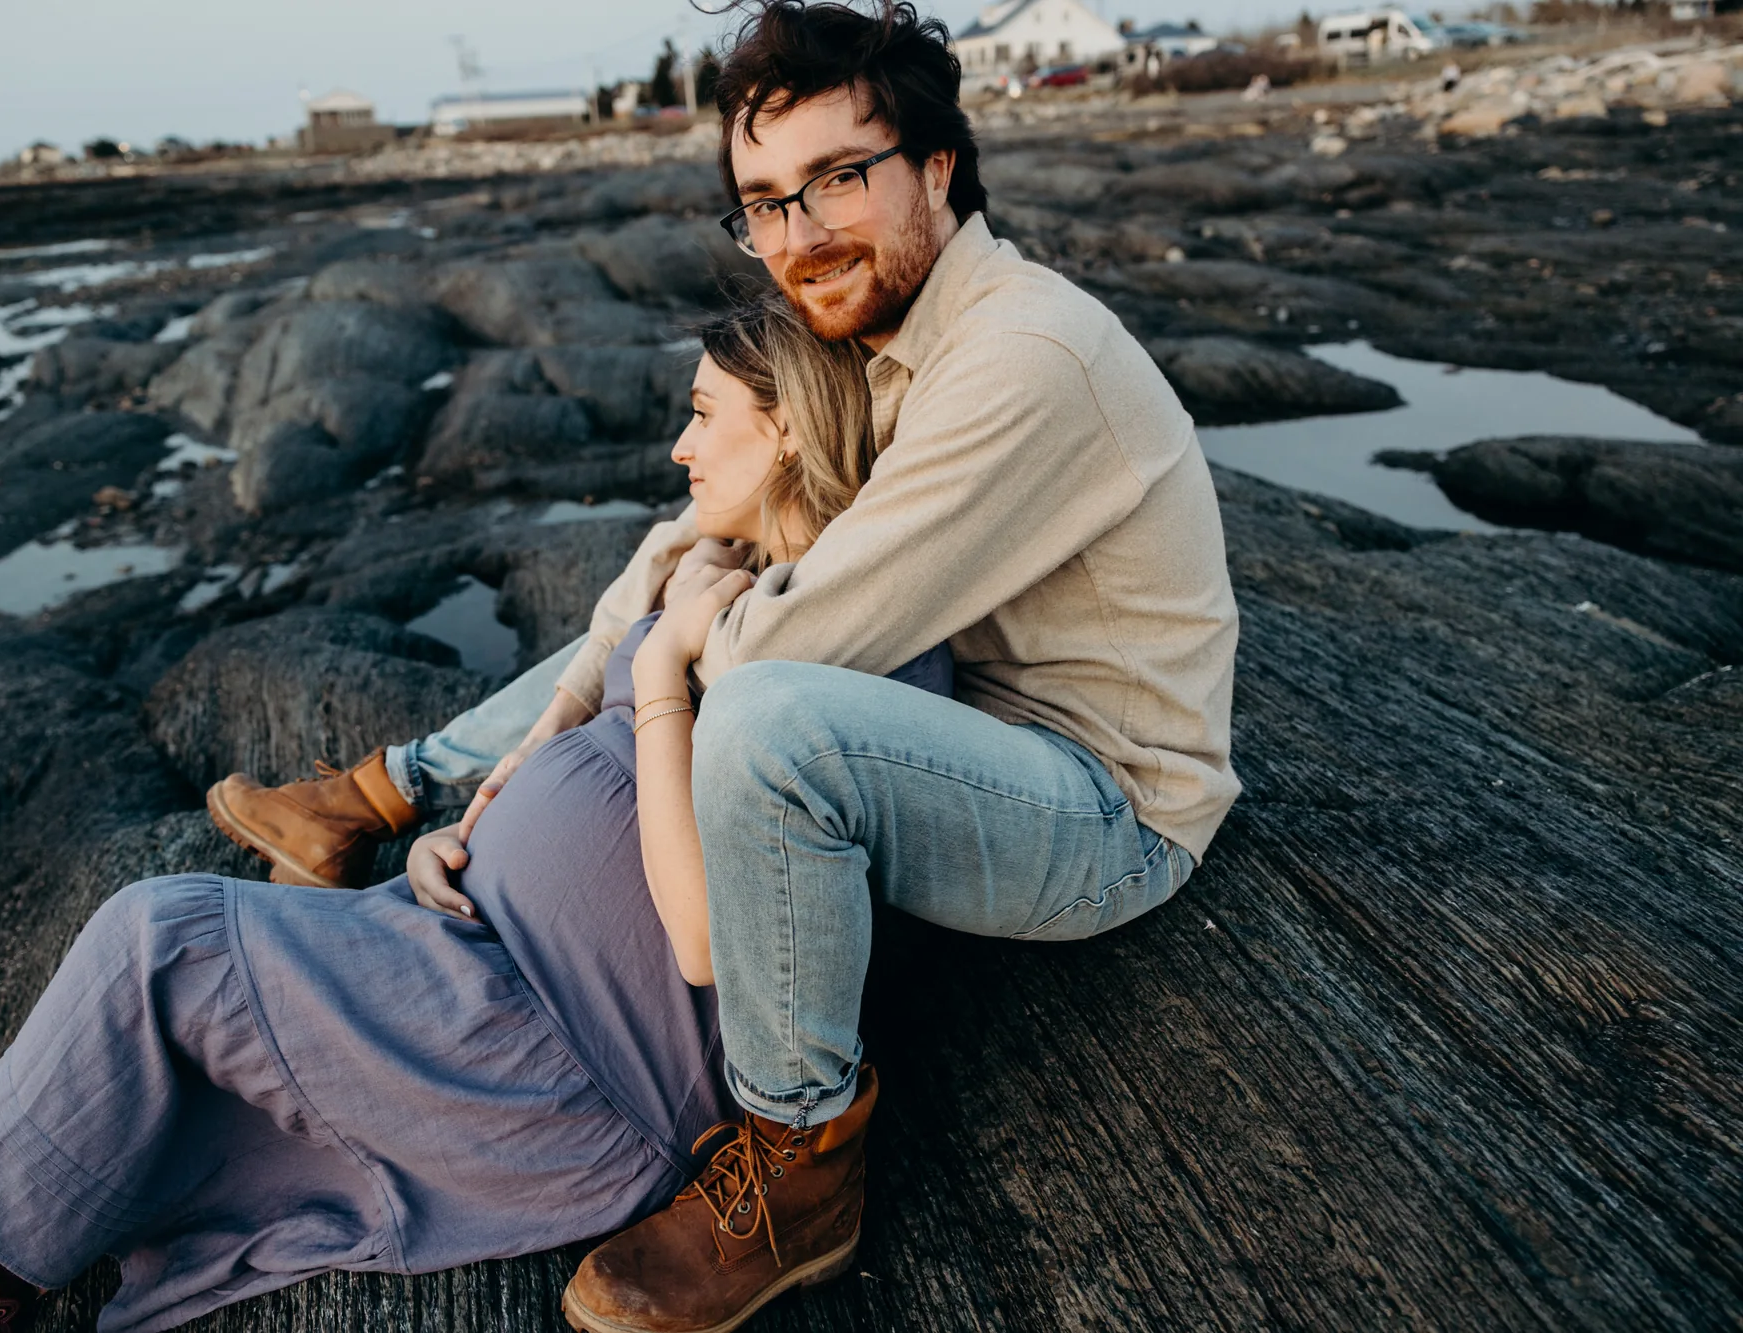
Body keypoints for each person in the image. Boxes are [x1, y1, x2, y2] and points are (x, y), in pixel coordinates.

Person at [230, 3, 1240, 1328]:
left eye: (841, 178)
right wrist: (663, 590)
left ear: (938, 168)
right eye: (764, 202)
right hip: (974, 734)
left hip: (1108, 803)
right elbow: (767, 531)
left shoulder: (1018, 359)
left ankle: (798, 1162)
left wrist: (684, 622)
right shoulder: (895, 336)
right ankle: (375, 794)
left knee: (767, 715)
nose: (797, 235)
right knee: (705, 590)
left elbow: (791, 646)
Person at [0, 299, 952, 1333]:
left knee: (156, 938)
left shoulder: (868, 650)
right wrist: (463, 842)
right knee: (165, 1074)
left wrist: (661, 675)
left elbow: (712, 938)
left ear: (792, 429)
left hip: (570, 1060)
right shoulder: (714, 565)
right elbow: (577, 749)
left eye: (703, 415)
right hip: (464, 951)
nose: (678, 446)